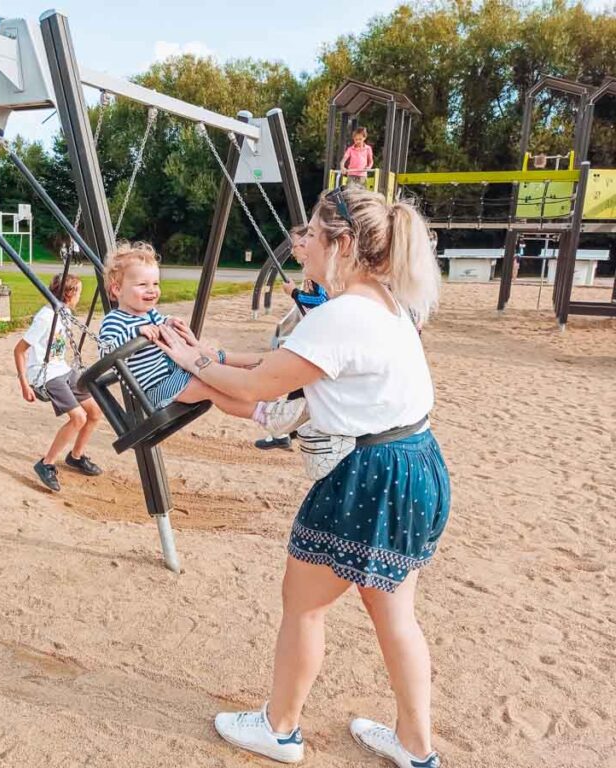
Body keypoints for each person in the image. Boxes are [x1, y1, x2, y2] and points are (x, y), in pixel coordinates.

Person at [156, 185, 450, 768]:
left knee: (304, 605)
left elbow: (259, 385)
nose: (303, 245)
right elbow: (277, 376)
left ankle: (279, 729)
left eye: (312, 235)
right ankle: (417, 749)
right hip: (417, 463)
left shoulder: (341, 316)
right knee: (395, 615)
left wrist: (190, 359)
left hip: (370, 476)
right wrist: (212, 357)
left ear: (341, 244)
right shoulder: (389, 305)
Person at [97, 242, 256, 418]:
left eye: (155, 283)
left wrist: (169, 321)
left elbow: (161, 323)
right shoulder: (114, 320)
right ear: (117, 289)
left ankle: (258, 394)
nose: (152, 290)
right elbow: (106, 352)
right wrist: (135, 333)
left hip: (176, 374)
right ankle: (260, 414)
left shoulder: (150, 313)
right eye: (143, 284)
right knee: (209, 386)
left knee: (215, 373)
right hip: (157, 388)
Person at [14, 274, 105, 493]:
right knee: (78, 417)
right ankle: (46, 464)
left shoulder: (64, 313)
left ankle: (75, 456)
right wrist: (25, 384)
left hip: (61, 369)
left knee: (94, 412)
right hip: (43, 375)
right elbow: (19, 350)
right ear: (69, 293)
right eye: (79, 292)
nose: (80, 297)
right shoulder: (45, 317)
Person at [257, 227, 330, 452]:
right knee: (299, 387)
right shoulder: (311, 271)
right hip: (317, 336)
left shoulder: (316, 273)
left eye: (297, 245)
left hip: (321, 339)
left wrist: (294, 293)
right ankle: (285, 433)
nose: (293, 250)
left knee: (296, 383)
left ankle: (285, 432)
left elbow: (320, 301)